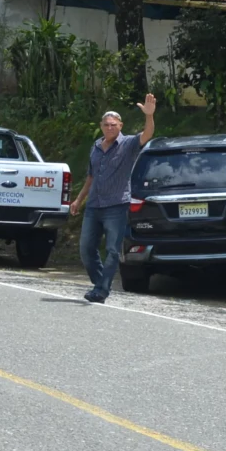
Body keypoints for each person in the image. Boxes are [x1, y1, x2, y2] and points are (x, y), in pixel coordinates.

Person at [70, 90, 159, 303]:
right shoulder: (95, 147)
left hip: (116, 205)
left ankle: (101, 291)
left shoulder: (128, 144)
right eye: (106, 124)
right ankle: (101, 282)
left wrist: (149, 115)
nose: (110, 127)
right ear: (101, 126)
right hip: (93, 205)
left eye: (114, 124)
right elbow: (91, 177)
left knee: (111, 250)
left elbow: (147, 135)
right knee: (86, 249)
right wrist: (78, 200)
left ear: (120, 126)